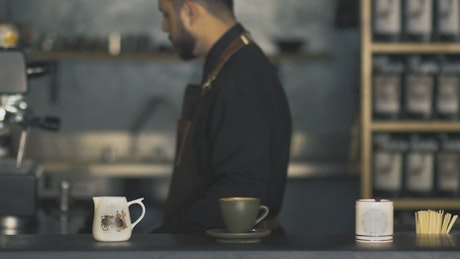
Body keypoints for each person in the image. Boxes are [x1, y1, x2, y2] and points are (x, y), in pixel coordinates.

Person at [154, 0, 292, 233]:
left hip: (237, 249)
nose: (164, 27)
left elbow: (239, 192)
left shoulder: (239, 80)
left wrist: (163, 241)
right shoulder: (231, 64)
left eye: (166, 15)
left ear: (189, 11)